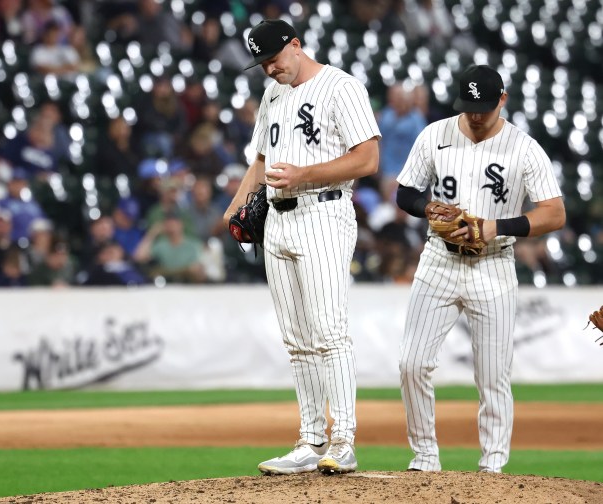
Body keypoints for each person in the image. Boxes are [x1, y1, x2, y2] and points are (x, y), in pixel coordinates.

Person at [223, 19, 381, 475]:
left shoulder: (341, 87)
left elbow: (367, 158)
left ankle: (344, 440)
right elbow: (260, 159)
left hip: (323, 213)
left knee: (329, 332)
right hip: (278, 220)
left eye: (274, 58)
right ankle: (311, 440)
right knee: (297, 341)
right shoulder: (273, 93)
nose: (269, 68)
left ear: (296, 45)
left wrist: (303, 176)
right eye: (262, 63)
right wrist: (236, 208)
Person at [395, 64, 566, 473]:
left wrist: (496, 227)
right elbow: (405, 192)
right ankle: (424, 457)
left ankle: (492, 467)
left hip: (493, 266)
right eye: (469, 106)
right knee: (411, 364)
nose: (475, 114)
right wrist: (427, 207)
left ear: (502, 100)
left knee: (492, 377)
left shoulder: (523, 148)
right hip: (438, 259)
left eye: (484, 107)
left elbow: (554, 213)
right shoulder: (435, 134)